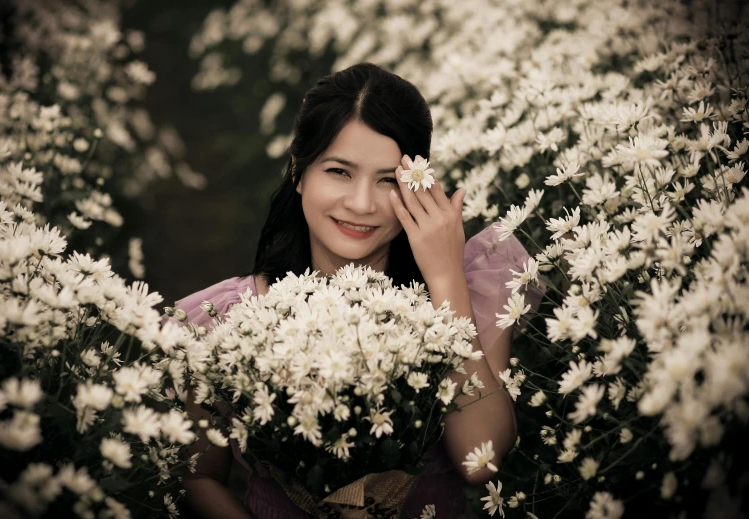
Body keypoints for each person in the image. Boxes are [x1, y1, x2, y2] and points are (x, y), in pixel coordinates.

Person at [162, 62, 544, 519]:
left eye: (387, 180)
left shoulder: (463, 295)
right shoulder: (230, 318)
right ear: (298, 172)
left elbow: (479, 459)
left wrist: (444, 278)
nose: (362, 204)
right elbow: (197, 475)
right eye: (340, 171)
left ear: (415, 185)